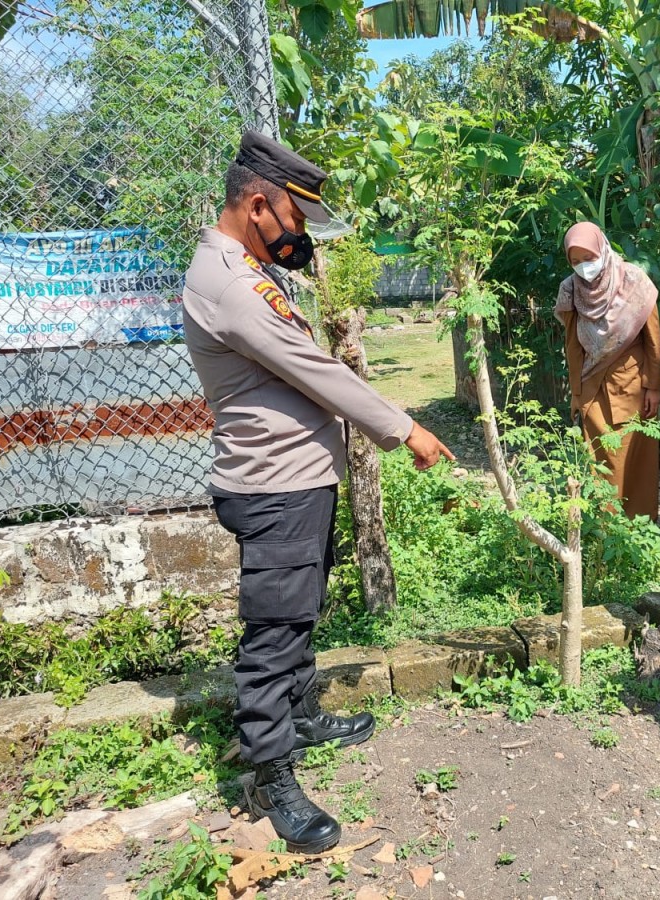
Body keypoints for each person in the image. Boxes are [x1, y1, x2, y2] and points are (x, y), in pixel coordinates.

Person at [182, 131, 453, 854]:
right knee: (273, 636)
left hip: (295, 478)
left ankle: (299, 717)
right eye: (298, 221)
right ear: (259, 204)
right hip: (275, 485)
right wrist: (404, 430)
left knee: (299, 612)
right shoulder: (233, 284)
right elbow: (314, 370)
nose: (302, 237)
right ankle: (272, 774)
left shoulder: (241, 266)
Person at [557, 222, 660, 520]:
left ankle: (639, 529)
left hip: (631, 387)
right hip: (591, 386)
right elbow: (572, 345)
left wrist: (653, 386)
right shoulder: (571, 289)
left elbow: (653, 339)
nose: (583, 268)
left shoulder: (634, 281)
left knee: (632, 459)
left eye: (588, 259)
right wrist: (576, 393)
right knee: (596, 459)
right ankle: (603, 531)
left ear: (601, 249)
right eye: (575, 262)